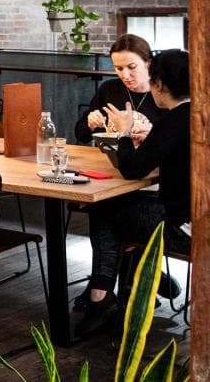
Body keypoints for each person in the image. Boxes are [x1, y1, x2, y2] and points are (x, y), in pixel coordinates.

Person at [75, 49, 191, 338]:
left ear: (159, 83)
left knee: (104, 209)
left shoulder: (175, 119)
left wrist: (125, 132)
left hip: (183, 229)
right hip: (193, 219)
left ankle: (102, 298)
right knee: (123, 209)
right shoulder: (195, 114)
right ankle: (135, 284)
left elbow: (131, 169)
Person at [73, 34, 162, 145]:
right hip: (111, 154)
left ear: (148, 64)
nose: (125, 75)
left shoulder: (163, 92)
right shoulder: (109, 89)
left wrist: (154, 135)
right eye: (119, 68)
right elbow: (80, 135)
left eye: (132, 67)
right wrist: (90, 124)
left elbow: (178, 142)